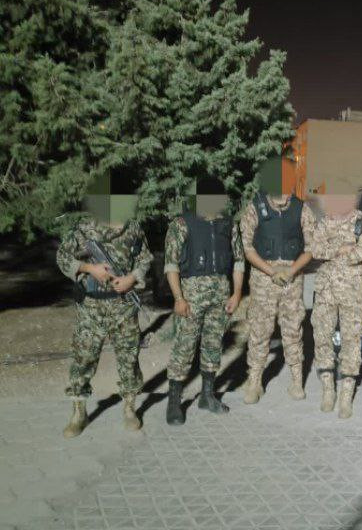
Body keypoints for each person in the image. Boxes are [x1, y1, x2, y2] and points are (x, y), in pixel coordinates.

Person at [56, 216, 153, 437]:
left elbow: (145, 259)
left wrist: (131, 278)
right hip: (91, 308)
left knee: (129, 359)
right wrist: (89, 268)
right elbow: (62, 257)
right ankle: (79, 413)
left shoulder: (132, 227)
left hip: (123, 307)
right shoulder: (83, 227)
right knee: (83, 358)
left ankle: (129, 408)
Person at [239, 156, 315, 403]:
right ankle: (254, 382)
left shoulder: (302, 209)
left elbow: (311, 248)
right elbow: (247, 248)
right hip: (264, 278)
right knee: (260, 330)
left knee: (293, 330)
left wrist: (291, 271)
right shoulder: (255, 208)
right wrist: (271, 272)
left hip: (292, 277)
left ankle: (296, 381)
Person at [164, 200, 244, 425]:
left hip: (220, 296)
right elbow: (171, 264)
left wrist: (237, 294)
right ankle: (174, 402)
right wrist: (178, 298)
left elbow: (238, 261)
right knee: (184, 347)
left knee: (213, 346)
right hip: (191, 297)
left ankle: (207, 396)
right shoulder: (182, 224)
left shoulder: (228, 224)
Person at [310, 195, 362, 418]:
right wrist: (341, 248)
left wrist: (336, 250)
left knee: (351, 342)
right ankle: (328, 390)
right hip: (326, 292)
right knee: (322, 337)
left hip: (352, 293)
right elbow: (315, 249)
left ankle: (346, 396)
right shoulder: (325, 220)